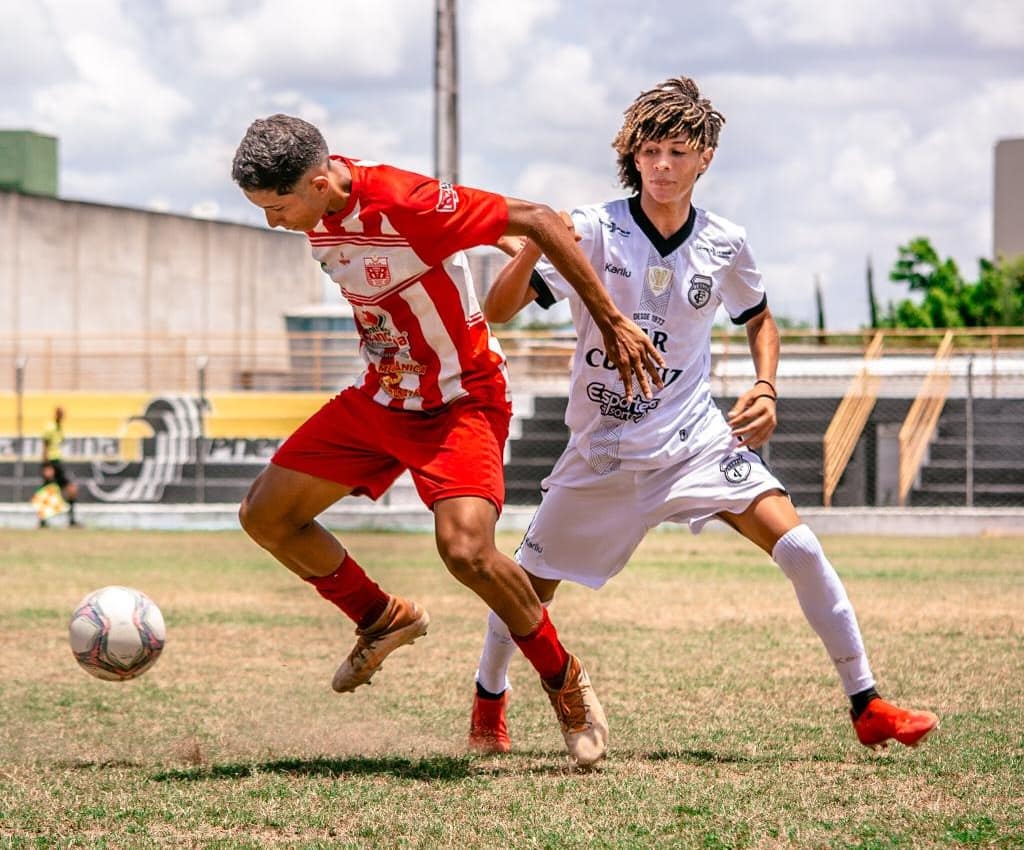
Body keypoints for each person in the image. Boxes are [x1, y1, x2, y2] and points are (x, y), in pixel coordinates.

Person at [467, 77, 939, 755]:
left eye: (677, 152)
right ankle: (489, 701)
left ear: (705, 158)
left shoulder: (725, 242)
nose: (662, 165)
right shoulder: (593, 229)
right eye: (651, 151)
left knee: (800, 546)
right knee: (526, 586)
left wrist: (767, 385)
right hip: (605, 449)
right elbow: (501, 307)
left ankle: (868, 706)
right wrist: (541, 239)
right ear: (634, 156)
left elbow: (760, 318)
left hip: (694, 441)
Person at [231, 114, 665, 767]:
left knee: (466, 550)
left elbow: (541, 219)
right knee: (265, 515)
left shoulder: (408, 203)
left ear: (320, 181)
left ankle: (564, 682)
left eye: (279, 206)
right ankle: (381, 617)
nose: (274, 222)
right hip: (382, 397)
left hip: (461, 400)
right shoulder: (317, 207)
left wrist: (610, 322)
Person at [39, 406, 80, 528]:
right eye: (60, 413)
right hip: (51, 462)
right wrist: (46, 466)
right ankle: (43, 522)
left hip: (58, 462)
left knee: (72, 489)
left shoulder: (59, 428)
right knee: (47, 492)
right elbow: (45, 447)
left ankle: (71, 520)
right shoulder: (50, 427)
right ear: (56, 414)